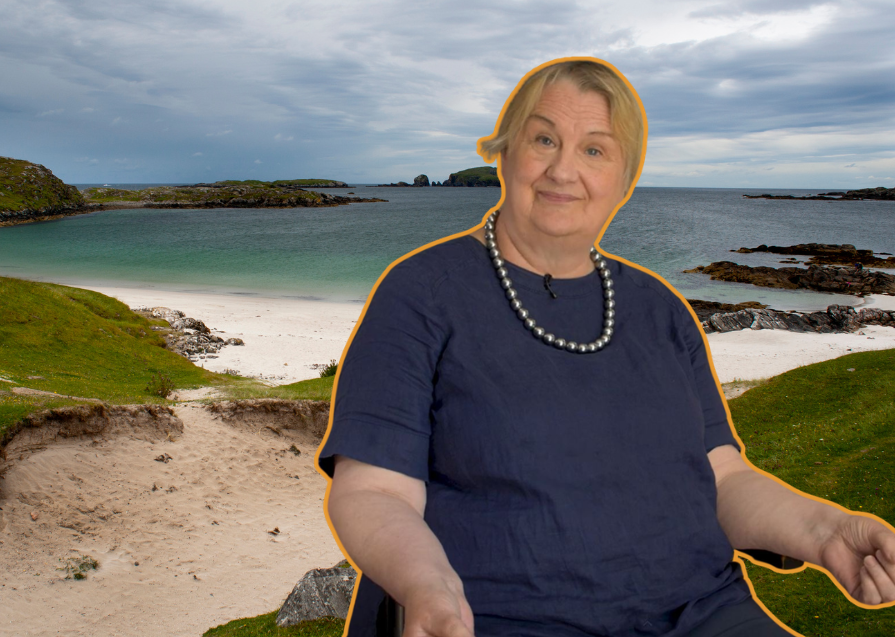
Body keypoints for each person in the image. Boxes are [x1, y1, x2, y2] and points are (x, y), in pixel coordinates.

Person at [316, 58, 895, 637]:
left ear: (625, 178)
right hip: (499, 619)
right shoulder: (422, 294)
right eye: (544, 139)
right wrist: (428, 587)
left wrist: (827, 532)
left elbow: (722, 479)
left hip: (704, 613)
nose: (562, 170)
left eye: (595, 150)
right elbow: (373, 491)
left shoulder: (660, 309)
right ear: (506, 152)